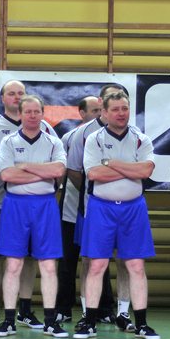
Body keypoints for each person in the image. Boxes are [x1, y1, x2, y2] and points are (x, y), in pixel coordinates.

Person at [74, 91, 160, 339]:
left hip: (133, 209)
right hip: (101, 208)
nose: (121, 113)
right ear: (104, 112)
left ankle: (141, 323)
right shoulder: (94, 139)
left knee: (136, 265)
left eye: (125, 108)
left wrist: (111, 163)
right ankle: (90, 322)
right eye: (115, 109)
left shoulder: (141, 139)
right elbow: (94, 174)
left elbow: (146, 171)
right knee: (97, 265)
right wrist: (130, 169)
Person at [0, 80, 58, 330]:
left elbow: (57, 170)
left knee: (30, 258)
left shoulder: (47, 131)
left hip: (35, 204)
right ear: (3, 98)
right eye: (11, 93)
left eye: (20, 93)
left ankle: (25, 309)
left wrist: (25, 170)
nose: (16, 97)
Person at [0, 94, 68, 338]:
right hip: (15, 205)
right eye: (28, 112)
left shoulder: (53, 142)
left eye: (37, 112)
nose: (33, 116)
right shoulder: (8, 142)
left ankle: (50, 321)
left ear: (43, 114)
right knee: (13, 264)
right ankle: (9, 320)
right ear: (20, 114)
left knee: (48, 264)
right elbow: (6, 175)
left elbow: (59, 170)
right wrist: (43, 172)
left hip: (45, 205)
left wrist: (25, 166)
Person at [66, 83, 129, 331]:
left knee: (126, 260)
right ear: (102, 105)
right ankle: (87, 313)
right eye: (112, 101)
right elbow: (77, 171)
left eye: (122, 104)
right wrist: (99, 184)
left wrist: (111, 170)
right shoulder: (84, 134)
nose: (118, 109)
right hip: (92, 206)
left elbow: (144, 170)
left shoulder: (136, 136)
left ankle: (124, 313)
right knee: (90, 260)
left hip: (127, 207)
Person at [56, 96, 103, 323]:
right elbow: (70, 171)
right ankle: (63, 308)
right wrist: (87, 189)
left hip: (98, 209)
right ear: (82, 113)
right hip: (72, 206)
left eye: (99, 110)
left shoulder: (112, 134)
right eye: (93, 110)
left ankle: (102, 309)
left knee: (97, 260)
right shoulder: (71, 137)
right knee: (67, 260)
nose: (98, 114)